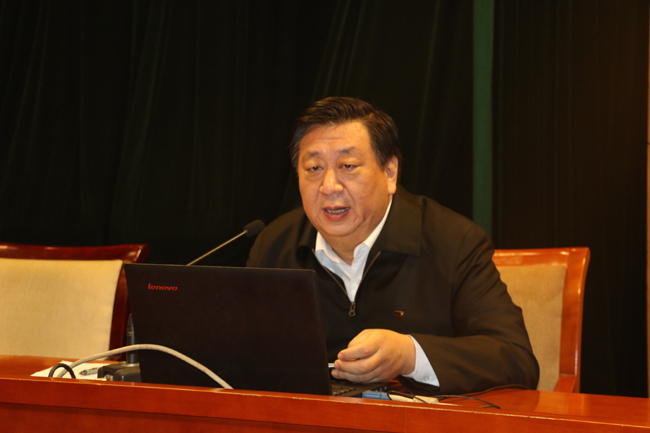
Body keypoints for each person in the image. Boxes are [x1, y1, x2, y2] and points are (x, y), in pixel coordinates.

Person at [247, 96, 539, 395]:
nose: (329, 186)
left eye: (348, 165)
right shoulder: (274, 245)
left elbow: (515, 359)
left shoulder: (452, 241)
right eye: (314, 168)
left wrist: (409, 355)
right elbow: (243, 358)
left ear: (389, 173)